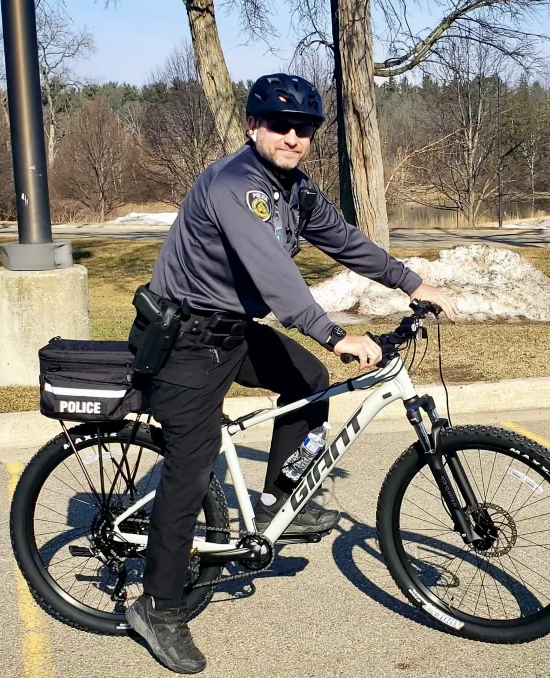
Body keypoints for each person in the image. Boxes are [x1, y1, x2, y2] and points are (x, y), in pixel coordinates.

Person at [126, 72, 457, 674]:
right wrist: (333, 333)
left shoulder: (294, 191)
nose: (292, 136)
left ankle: (286, 496)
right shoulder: (235, 185)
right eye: (280, 125)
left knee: (306, 380)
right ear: (254, 126)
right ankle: (158, 607)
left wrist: (413, 282)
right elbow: (275, 274)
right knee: (190, 470)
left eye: (304, 128)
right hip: (185, 340)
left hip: (230, 330)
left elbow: (346, 241)